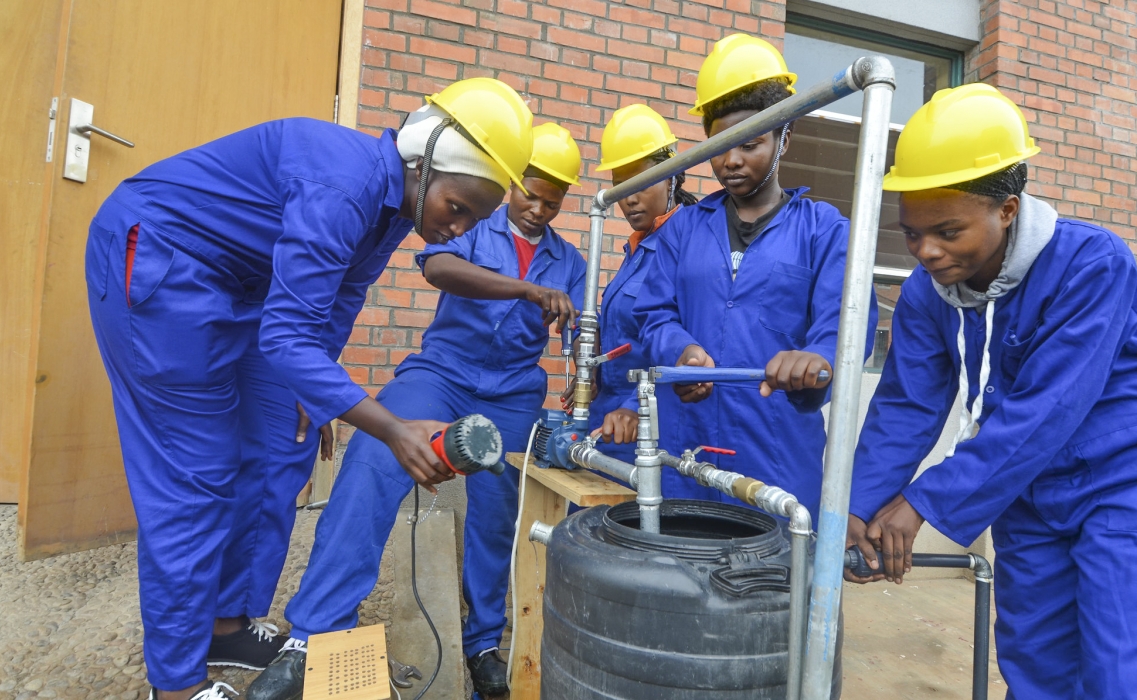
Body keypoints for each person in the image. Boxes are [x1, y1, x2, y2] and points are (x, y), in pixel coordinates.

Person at [84, 77, 533, 700]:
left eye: (474, 219)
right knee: (198, 474)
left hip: (242, 289)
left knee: (283, 439)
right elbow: (288, 335)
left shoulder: (393, 211)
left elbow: (341, 298)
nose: (459, 228)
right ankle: (177, 684)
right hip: (164, 258)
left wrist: (318, 386)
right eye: (456, 208)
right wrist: (390, 427)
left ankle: (225, 623)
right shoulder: (342, 183)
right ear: (423, 161)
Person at [845, 83, 1137, 699]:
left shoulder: (1091, 263)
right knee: (1035, 668)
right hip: (1026, 488)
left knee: (1130, 671)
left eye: (947, 231)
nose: (926, 251)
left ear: (1007, 208)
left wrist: (923, 499)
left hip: (1128, 478)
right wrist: (860, 505)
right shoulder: (929, 291)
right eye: (911, 232)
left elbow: (1048, 409)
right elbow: (906, 403)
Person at [247, 123, 587, 700]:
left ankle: (483, 642)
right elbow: (436, 268)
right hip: (441, 374)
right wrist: (524, 290)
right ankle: (312, 634)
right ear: (510, 186)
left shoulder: (570, 261)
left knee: (499, 510)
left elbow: (576, 335)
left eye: (552, 203)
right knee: (376, 455)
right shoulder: (476, 225)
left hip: (512, 393)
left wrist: (583, 361)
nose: (537, 209)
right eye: (530, 193)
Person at [635, 35, 870, 697]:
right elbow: (651, 315)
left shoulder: (824, 231)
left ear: (786, 135)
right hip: (686, 455)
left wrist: (815, 360)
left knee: (779, 632)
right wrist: (678, 350)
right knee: (682, 622)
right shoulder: (683, 229)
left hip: (778, 456)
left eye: (750, 143)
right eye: (717, 147)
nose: (731, 161)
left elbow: (843, 330)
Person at [561, 104, 697, 458]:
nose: (629, 198)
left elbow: (688, 348)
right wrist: (587, 373)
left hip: (650, 425)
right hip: (608, 418)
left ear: (672, 176)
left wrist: (635, 406)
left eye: (642, 182)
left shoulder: (689, 245)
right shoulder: (637, 249)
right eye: (620, 186)